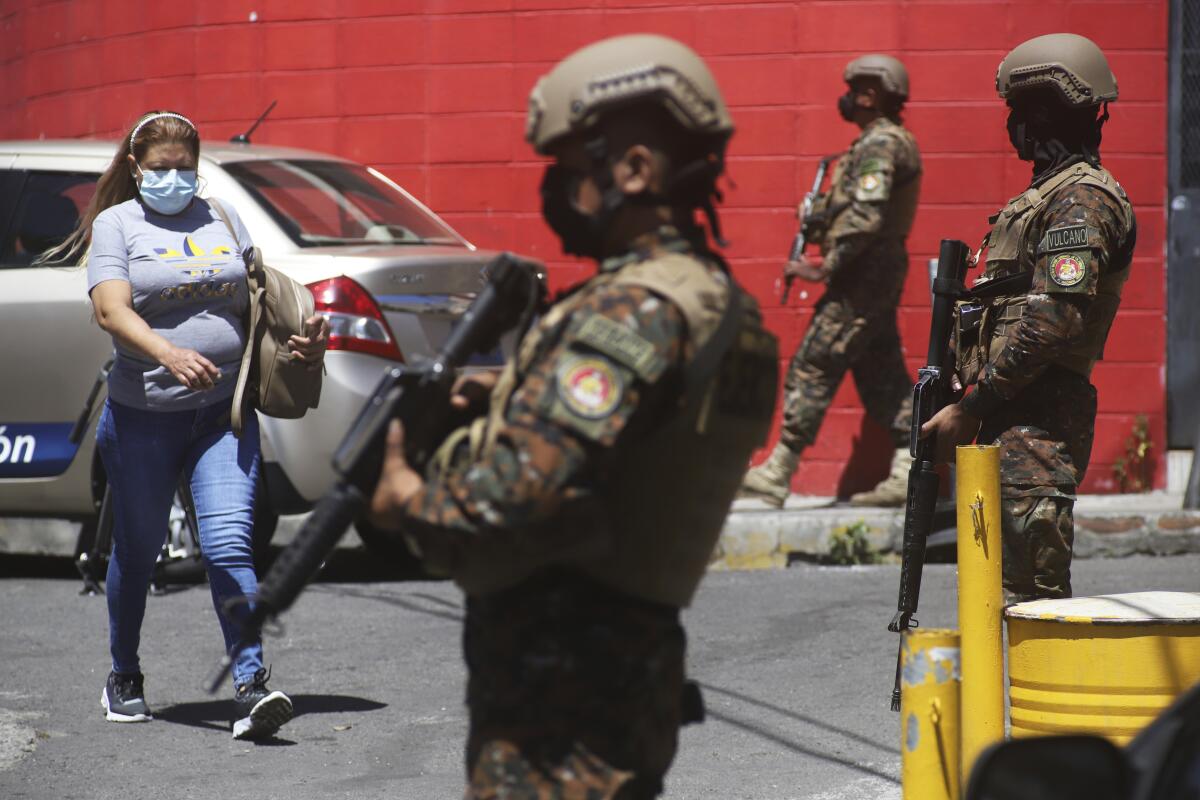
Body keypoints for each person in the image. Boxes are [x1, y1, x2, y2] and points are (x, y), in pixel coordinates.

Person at [368, 35, 778, 799]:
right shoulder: (723, 305)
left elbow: (524, 491)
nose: (557, 191)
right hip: (628, 672)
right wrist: (510, 398)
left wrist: (406, 501)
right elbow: (650, 434)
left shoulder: (635, 304)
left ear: (633, 170)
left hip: (561, 701)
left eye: (569, 171)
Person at [50, 111, 329, 738]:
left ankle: (251, 684)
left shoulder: (220, 218)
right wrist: (167, 353)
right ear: (135, 168)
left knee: (230, 542)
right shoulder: (117, 225)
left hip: (221, 416)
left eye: (185, 168)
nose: (175, 179)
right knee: (141, 552)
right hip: (143, 417)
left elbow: (257, 300)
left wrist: (301, 344)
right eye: (161, 169)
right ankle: (124, 672)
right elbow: (109, 310)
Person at [921, 33, 1136, 602]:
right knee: (989, 598)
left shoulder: (1083, 199)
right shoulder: (1042, 198)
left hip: (1035, 426)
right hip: (1005, 419)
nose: (1014, 125)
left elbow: (1053, 322)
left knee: (1029, 606)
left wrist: (970, 408)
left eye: (1021, 111)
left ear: (1045, 113)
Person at [740, 54, 922, 508]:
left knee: (815, 360)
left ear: (870, 94)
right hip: (870, 270)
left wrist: (825, 266)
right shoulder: (879, 142)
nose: (846, 97)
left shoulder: (880, 144)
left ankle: (778, 470)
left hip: (864, 272)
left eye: (853, 88)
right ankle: (912, 467)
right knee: (880, 370)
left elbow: (866, 213)